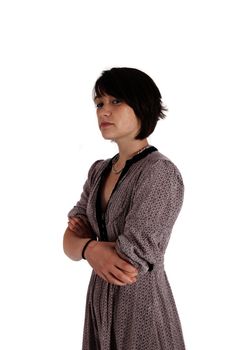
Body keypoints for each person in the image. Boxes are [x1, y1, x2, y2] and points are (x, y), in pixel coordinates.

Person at [63, 67, 186, 350]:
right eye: (99, 103)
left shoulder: (159, 173)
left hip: (140, 305)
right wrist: (90, 249)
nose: (103, 111)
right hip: (98, 303)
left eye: (116, 101)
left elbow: (130, 263)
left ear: (143, 105)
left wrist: (87, 243)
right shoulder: (98, 171)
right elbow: (68, 242)